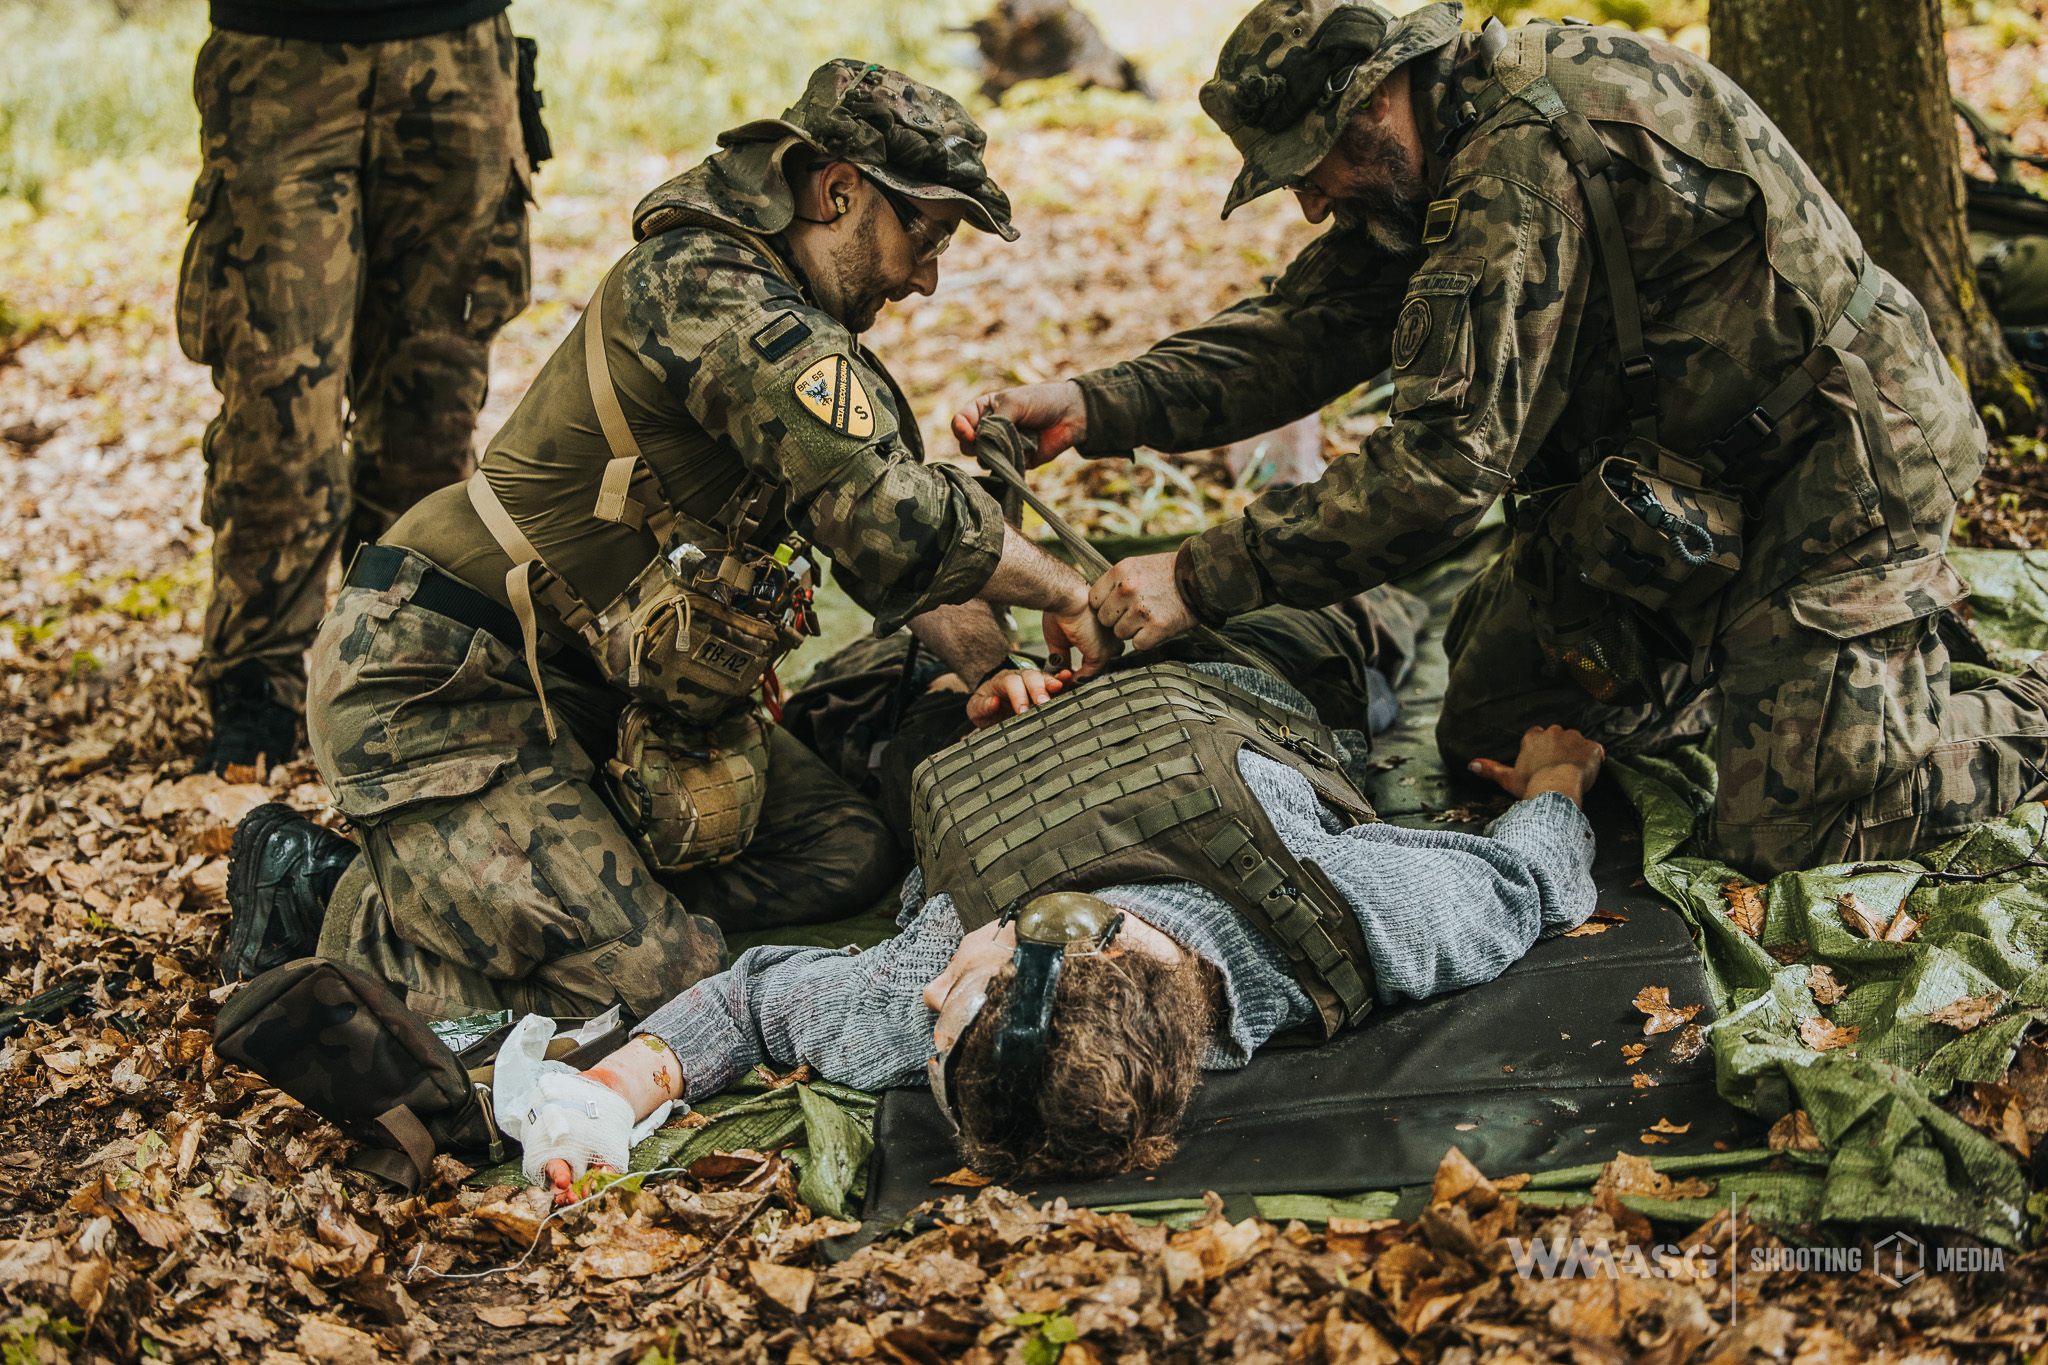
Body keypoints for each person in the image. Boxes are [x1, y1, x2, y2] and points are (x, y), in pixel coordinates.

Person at [955, 0, 2048, 879]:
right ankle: (1776, 676)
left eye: (1309, 166)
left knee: (1789, 831)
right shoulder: (1424, 155)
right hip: (1660, 494)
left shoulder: (1515, 160)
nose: (1309, 201)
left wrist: (1196, 576)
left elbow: (1441, 469)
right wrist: (1097, 405)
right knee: (1495, 724)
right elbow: (1304, 332)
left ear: (1372, 99)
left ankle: (1993, 706)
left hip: (1835, 468)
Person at [220, 62, 1118, 1021]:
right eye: (923, 238)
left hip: (609, 692)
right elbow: (893, 513)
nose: (927, 279)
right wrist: (1069, 594)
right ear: (838, 189)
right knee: (667, 986)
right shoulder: (708, 296)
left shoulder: (799, 333)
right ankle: (329, 893)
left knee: (845, 849)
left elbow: (895, 555)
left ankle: (554, 891)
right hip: (443, 676)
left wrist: (989, 671)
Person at [510, 619, 1602, 1196]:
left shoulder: (911, 998)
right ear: (1079, 934)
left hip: (1025, 743)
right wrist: (1554, 783)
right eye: (955, 995)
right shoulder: (1368, 916)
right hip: (1216, 683)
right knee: (1321, 646)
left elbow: (749, 1005)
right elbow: (1533, 880)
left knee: (903, 704)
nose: (933, 983)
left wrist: (605, 1097)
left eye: (936, 1014)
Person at [177, 0, 540, 774]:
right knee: (280, 413)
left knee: (432, 412)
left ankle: (394, 661)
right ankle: (259, 687)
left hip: (458, 47)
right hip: (284, 56)